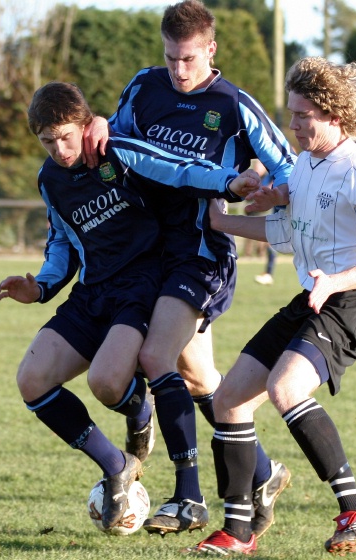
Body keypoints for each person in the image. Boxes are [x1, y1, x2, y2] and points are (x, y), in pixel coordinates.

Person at [0, 81, 261, 530]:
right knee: (31, 380)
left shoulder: (118, 151)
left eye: (66, 137)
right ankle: (117, 464)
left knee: (109, 382)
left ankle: (145, 415)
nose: (59, 149)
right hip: (92, 290)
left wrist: (229, 184)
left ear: (84, 125)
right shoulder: (49, 179)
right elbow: (63, 240)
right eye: (47, 141)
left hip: (142, 284)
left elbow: (180, 169)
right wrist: (39, 286)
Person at [84, 0, 296, 538]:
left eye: (190, 59)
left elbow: (291, 170)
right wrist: (102, 125)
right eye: (171, 58)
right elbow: (120, 145)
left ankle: (188, 497)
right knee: (199, 378)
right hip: (148, 250)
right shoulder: (143, 86)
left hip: (202, 253)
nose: (179, 71)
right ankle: (265, 475)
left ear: (211, 50)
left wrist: (270, 193)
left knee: (156, 357)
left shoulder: (234, 105)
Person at [184, 57, 356, 556]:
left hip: (355, 301)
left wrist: (336, 281)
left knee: (285, 388)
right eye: (290, 113)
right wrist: (224, 224)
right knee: (229, 399)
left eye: (302, 115)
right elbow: (286, 233)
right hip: (313, 295)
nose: (292, 125)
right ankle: (239, 531)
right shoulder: (305, 165)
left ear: (334, 115)